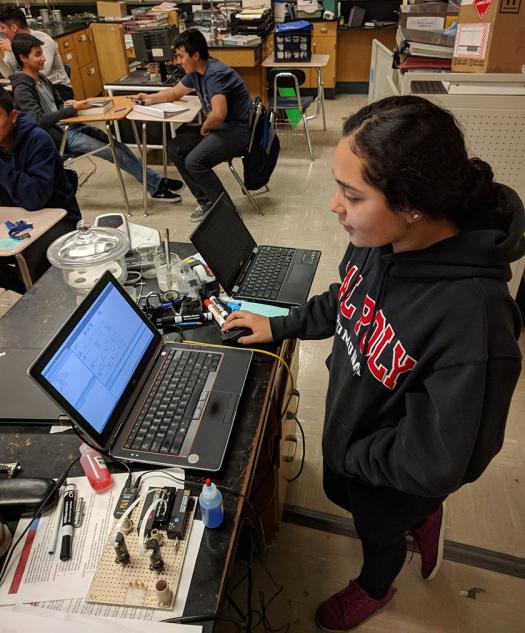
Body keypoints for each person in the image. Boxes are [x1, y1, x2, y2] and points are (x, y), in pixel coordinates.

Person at [222, 96, 525, 630]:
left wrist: (357, 454)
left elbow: (445, 457)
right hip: (362, 449)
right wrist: (283, 323)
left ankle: (377, 585)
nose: (335, 207)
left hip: (393, 478)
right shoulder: (378, 238)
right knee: (365, 508)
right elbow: (350, 296)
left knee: (379, 534)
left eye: (352, 194)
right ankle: (416, 516)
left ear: (411, 204)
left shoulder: (474, 319)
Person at [11, 33, 184, 203]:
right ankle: (156, 186)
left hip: (69, 126)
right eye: (37, 54)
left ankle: (154, 180)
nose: (44, 58)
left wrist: (67, 104)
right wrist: (70, 109)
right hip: (59, 135)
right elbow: (39, 120)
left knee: (118, 145)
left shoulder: (41, 78)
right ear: (23, 58)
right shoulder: (22, 87)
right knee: (113, 152)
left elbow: (57, 104)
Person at [134, 28, 253, 222]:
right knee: (174, 148)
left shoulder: (216, 74)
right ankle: (207, 201)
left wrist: (205, 127)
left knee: (194, 161)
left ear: (195, 55)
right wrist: (150, 98)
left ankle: (226, 210)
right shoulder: (197, 70)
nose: (178, 61)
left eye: (181, 56)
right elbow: (174, 93)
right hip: (221, 127)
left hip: (236, 131)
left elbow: (219, 114)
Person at [0, 87, 80, 293]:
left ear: (13, 116)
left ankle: (44, 300)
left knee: (38, 255)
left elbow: (34, 198)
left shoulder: (37, 139)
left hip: (56, 216)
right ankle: (30, 295)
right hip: (15, 220)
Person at [0, 4, 73, 100]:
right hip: (33, 88)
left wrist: (13, 50)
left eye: (2, 27)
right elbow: (10, 75)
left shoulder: (43, 40)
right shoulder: (12, 42)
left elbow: (42, 72)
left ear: (13, 27)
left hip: (57, 88)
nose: (1, 31)